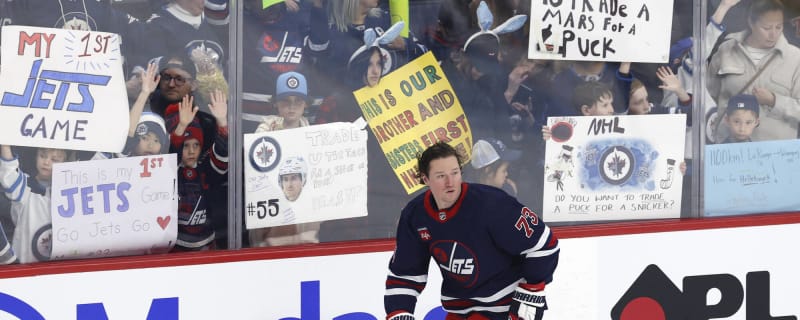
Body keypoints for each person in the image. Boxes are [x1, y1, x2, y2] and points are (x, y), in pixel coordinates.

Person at [385, 142, 559, 320]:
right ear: (425, 178)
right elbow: (405, 273)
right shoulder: (416, 215)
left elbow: (545, 244)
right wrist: (399, 312)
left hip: (505, 305)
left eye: (455, 173)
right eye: (440, 176)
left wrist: (532, 288)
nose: (450, 182)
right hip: (460, 309)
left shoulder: (492, 203)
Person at [707, 0, 800, 142]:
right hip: (729, 150)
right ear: (751, 23)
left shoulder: (795, 58)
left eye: (778, 27)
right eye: (766, 28)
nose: (773, 34)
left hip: (775, 154)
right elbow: (708, 94)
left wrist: (774, 101)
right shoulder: (727, 50)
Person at [166, 91, 229, 251]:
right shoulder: (170, 171)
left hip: (207, 244)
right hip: (176, 246)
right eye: (186, 145)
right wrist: (181, 127)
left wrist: (222, 122)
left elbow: (221, 156)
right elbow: (171, 156)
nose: (192, 151)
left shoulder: (205, 169)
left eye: (196, 145)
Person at [0, 145, 70, 263]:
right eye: (42, 156)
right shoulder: (26, 185)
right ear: (36, 157)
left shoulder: (70, 191)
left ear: (65, 162)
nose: (46, 162)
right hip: (23, 265)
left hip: (58, 267)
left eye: (54, 160)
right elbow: (9, 174)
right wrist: (5, 145)